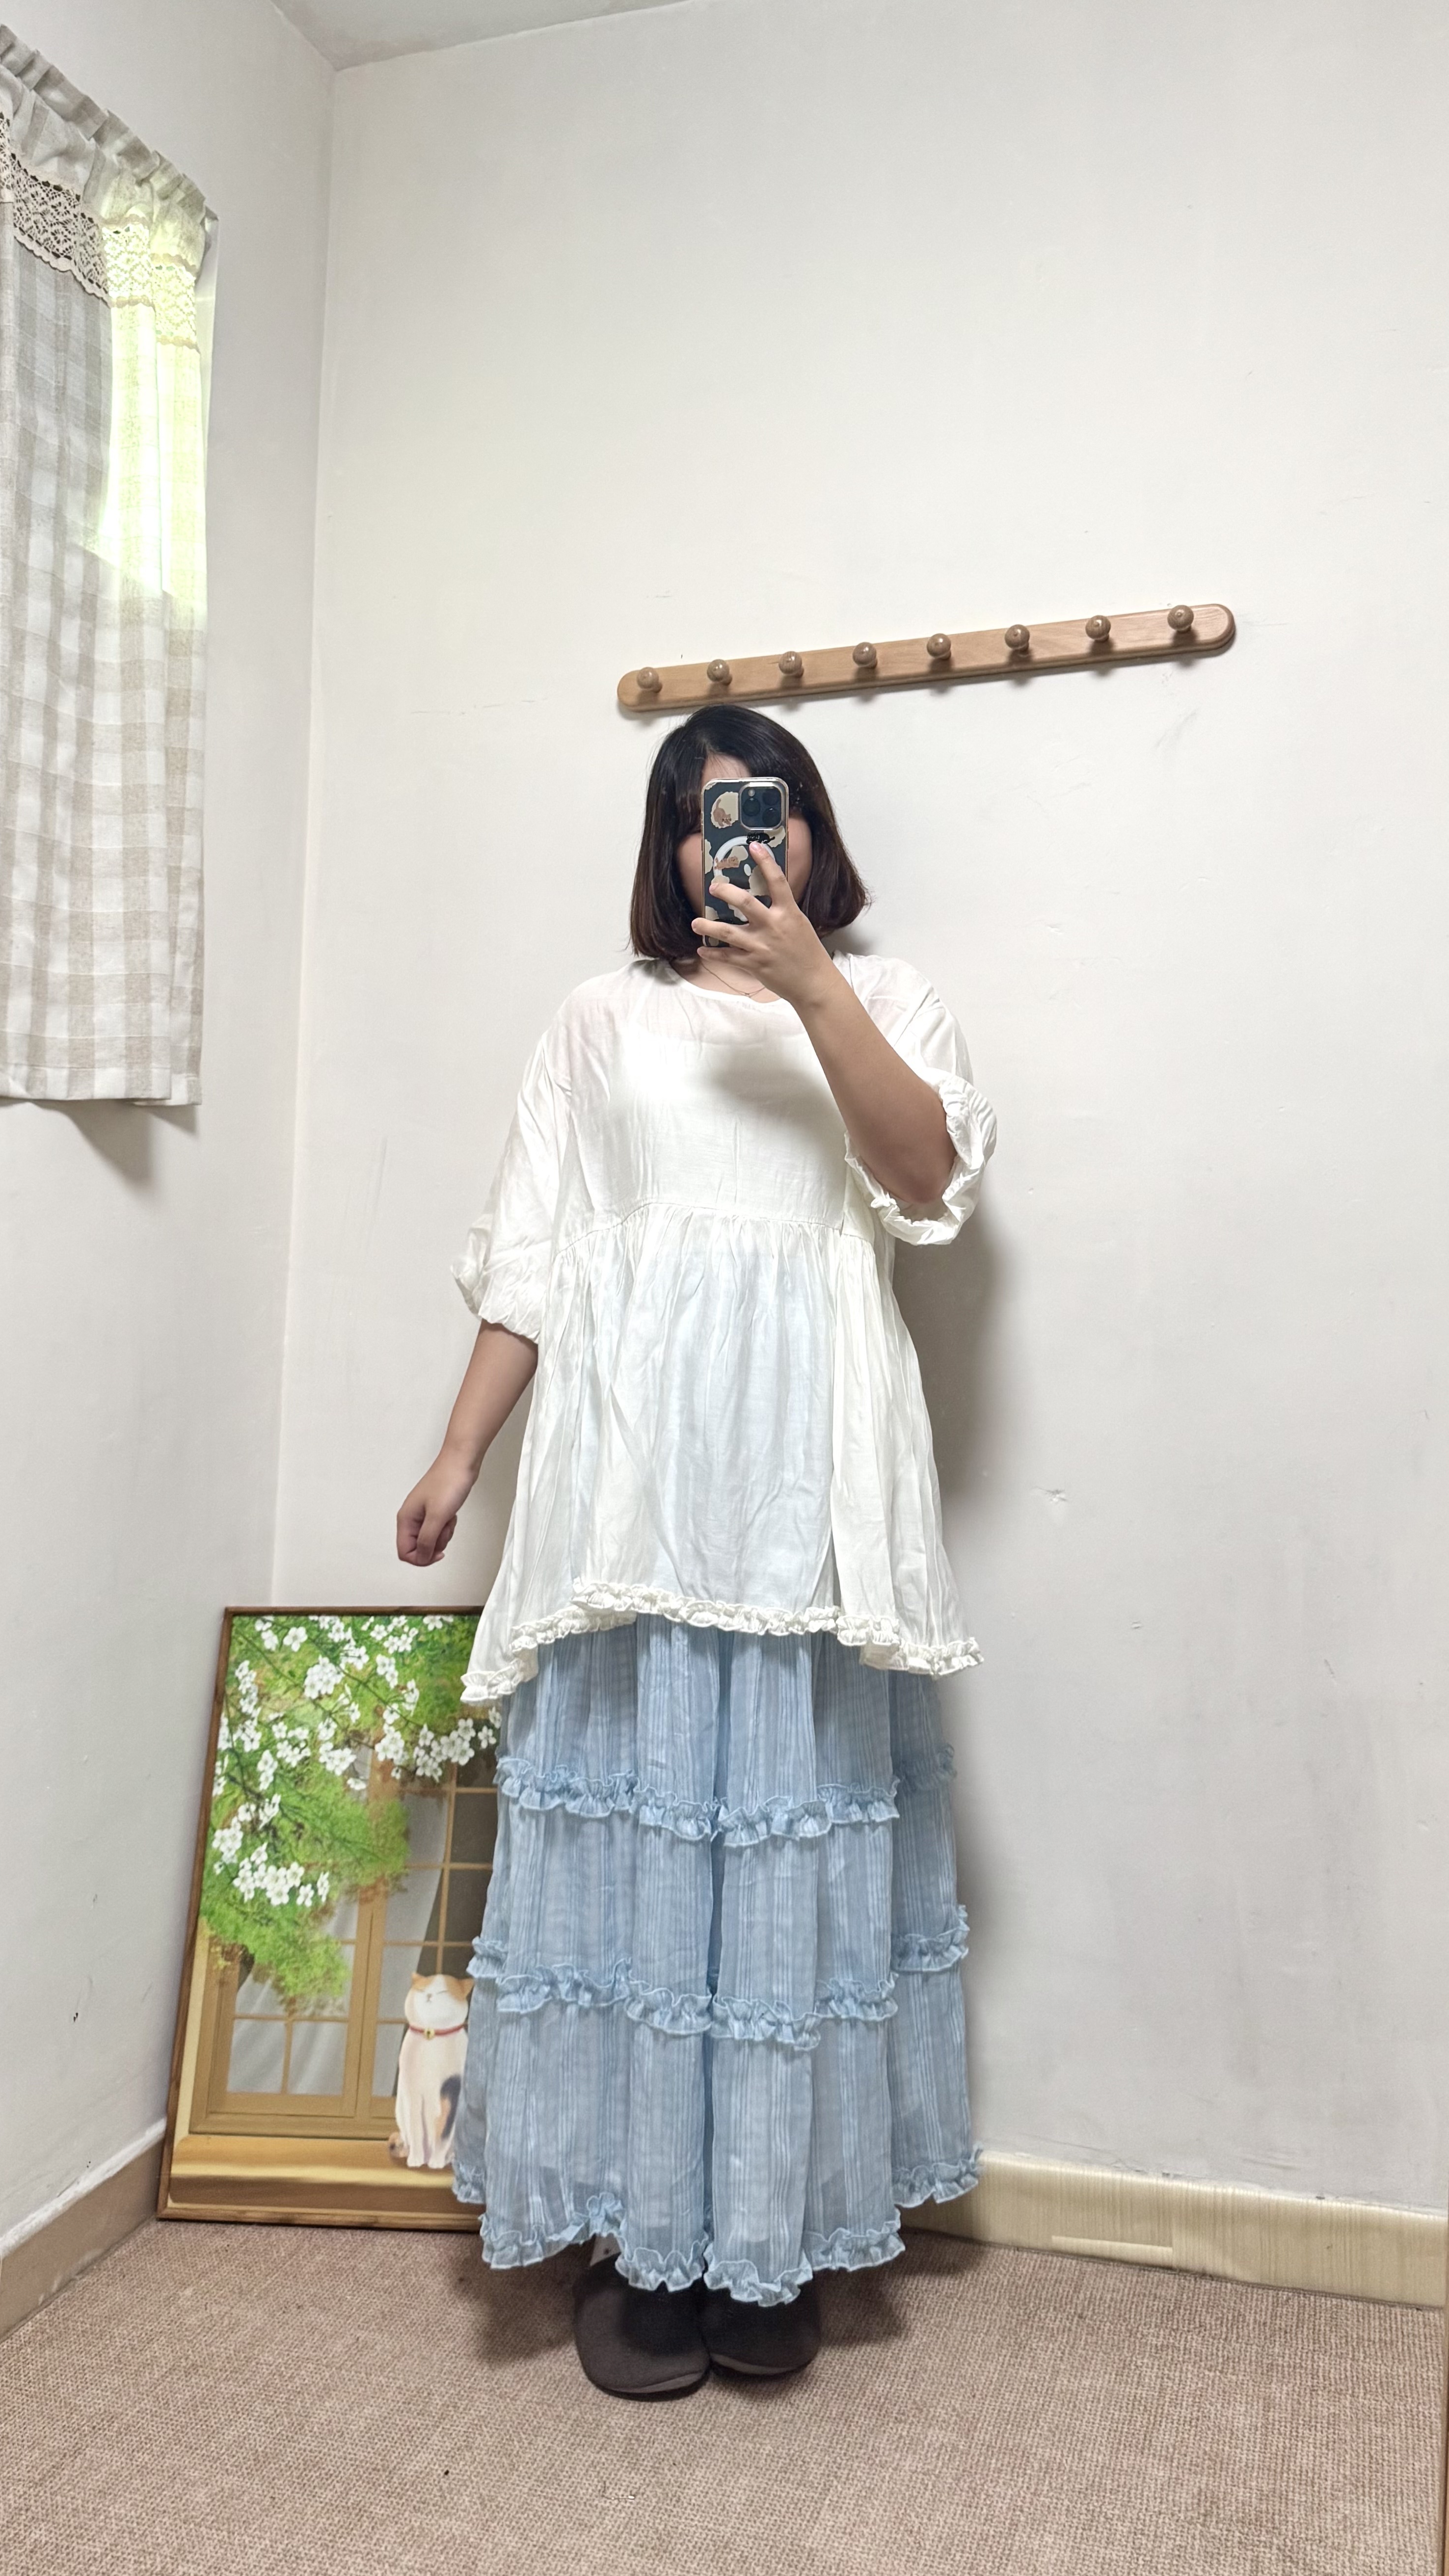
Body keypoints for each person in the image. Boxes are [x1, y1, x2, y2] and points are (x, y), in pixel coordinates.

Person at [396, 706, 997, 2399]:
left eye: (768, 808)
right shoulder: (600, 1019)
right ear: (669, 849)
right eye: (705, 814)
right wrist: (458, 1452)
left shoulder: (888, 999)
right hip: (633, 1508)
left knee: (786, 1883)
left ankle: (765, 2242)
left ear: (812, 832)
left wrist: (811, 988)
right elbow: (537, 1258)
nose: (741, 837)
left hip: (806, 1509)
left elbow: (927, 1183)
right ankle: (642, 2237)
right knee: (640, 1879)